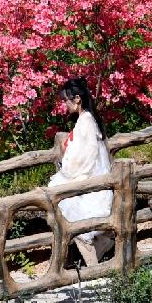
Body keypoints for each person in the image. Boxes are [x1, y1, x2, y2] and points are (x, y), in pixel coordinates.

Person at [48, 77, 114, 266]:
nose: (65, 105)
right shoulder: (88, 120)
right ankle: (98, 249)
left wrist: (67, 153)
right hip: (94, 179)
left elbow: (82, 159)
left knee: (64, 203)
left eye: (66, 100)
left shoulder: (85, 122)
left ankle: (93, 262)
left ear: (77, 99)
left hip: (91, 183)